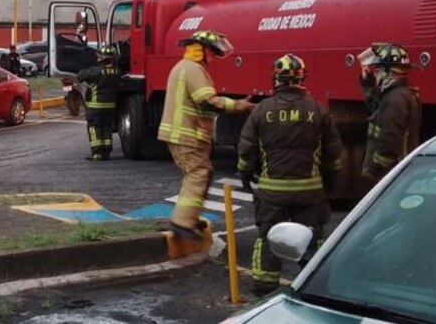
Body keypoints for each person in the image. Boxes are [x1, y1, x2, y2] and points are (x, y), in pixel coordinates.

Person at [237, 54, 342, 296]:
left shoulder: (261, 111)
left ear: (275, 79)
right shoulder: (318, 110)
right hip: (310, 193)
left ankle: (264, 286)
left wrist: (246, 177)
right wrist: (328, 187)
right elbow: (333, 155)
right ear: (302, 78)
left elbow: (246, 150)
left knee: (268, 238)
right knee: (312, 239)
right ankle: (316, 285)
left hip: (272, 193)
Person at [157, 30, 254, 238]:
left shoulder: (188, 67)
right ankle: (182, 222)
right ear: (200, 50)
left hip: (185, 133)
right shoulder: (192, 69)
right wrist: (240, 106)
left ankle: (189, 218)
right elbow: (207, 100)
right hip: (187, 134)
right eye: (212, 52)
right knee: (198, 174)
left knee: (201, 173)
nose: (215, 57)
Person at [358, 42, 421, 181]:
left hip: (390, 173)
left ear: (388, 71)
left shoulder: (396, 99)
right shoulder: (397, 94)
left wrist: (375, 169)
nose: (377, 73)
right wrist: (367, 81)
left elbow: (390, 140)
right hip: (394, 171)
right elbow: (375, 108)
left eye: (378, 69)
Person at [77, 45, 120, 160]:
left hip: (95, 106)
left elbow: (80, 76)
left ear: (101, 58)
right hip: (110, 107)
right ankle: (106, 152)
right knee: (107, 128)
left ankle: (97, 153)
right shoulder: (117, 72)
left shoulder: (96, 72)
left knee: (94, 128)